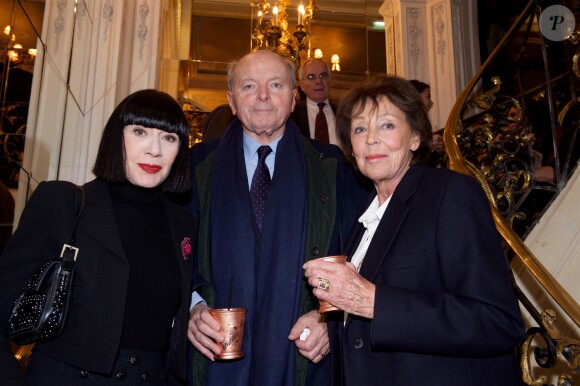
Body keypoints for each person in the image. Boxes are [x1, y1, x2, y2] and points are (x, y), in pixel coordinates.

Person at [303, 76, 525, 385]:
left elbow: (497, 321)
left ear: (416, 138)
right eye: (359, 129)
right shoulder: (362, 220)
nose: (371, 139)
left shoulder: (449, 193)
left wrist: (372, 301)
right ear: (350, 148)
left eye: (387, 126)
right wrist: (326, 323)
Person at [186, 50, 367, 386]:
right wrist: (192, 308)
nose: (263, 96)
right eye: (249, 86)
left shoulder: (332, 166)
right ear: (232, 100)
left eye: (276, 85)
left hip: (303, 360)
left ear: (293, 97)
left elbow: (363, 251)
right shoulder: (196, 165)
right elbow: (172, 252)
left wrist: (331, 316)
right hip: (214, 355)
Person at [0, 89, 197, 385]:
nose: (155, 149)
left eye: (169, 137)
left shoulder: (183, 223)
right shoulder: (63, 204)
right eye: (140, 131)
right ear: (116, 137)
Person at [290, 58, 338, 145]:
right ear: (302, 86)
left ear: (331, 81)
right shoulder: (291, 116)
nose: (318, 81)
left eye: (323, 75)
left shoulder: (344, 113)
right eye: (311, 77)